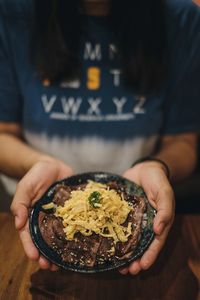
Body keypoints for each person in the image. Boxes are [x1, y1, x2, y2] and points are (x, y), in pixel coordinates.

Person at [0, 0, 199, 275]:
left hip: (142, 213)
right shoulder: (12, 13)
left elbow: (184, 142)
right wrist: (38, 164)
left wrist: (157, 166)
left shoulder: (182, 18)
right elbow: (3, 134)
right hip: (35, 212)